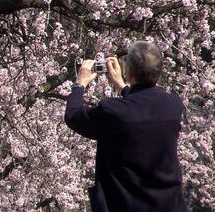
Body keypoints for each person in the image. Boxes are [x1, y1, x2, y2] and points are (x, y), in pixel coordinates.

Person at [64, 41, 187, 212]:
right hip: (169, 205)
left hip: (126, 204)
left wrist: (80, 84)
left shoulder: (113, 111)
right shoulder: (173, 105)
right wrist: (122, 87)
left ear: (129, 71)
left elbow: (74, 116)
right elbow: (142, 109)